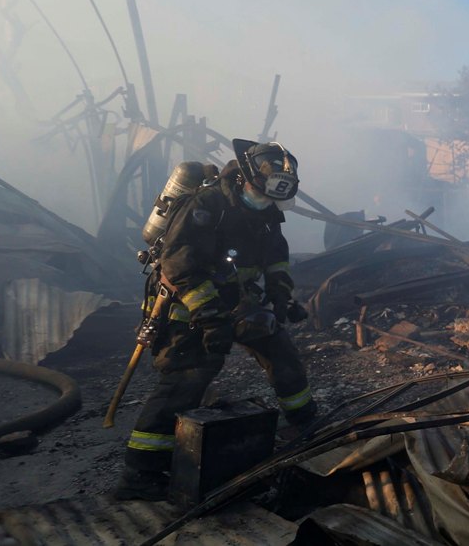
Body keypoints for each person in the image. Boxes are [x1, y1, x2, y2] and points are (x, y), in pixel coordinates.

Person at [113, 138, 318, 501]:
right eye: (261, 193)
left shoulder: (266, 210)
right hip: (186, 307)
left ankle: (306, 423)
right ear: (243, 180)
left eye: (273, 198)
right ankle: (140, 474)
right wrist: (210, 320)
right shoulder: (206, 205)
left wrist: (281, 295)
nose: (267, 203)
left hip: (237, 301)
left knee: (280, 350)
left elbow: (276, 256)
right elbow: (179, 266)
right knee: (188, 379)